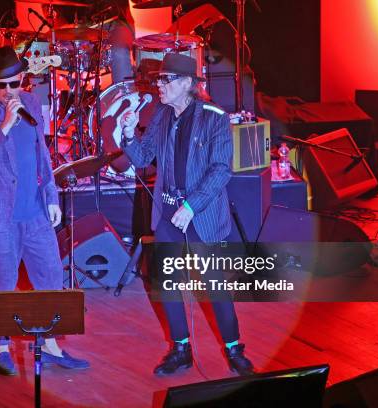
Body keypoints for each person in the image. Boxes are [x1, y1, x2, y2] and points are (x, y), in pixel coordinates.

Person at [120, 53, 254, 376]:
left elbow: (222, 170)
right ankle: (180, 348)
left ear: (186, 84)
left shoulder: (214, 117)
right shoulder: (161, 115)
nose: (159, 86)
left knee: (214, 285)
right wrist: (127, 135)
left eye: (165, 80)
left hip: (200, 214)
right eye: (159, 80)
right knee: (166, 282)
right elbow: (142, 158)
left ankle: (234, 348)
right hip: (168, 214)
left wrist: (191, 205)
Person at [0, 46, 90, 375]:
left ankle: (48, 344)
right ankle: (0, 346)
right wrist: (4, 125)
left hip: (34, 210)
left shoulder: (32, 104)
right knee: (3, 281)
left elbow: (42, 158)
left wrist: (51, 196)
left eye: (13, 84)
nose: (7, 92)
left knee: (49, 274)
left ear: (24, 80)